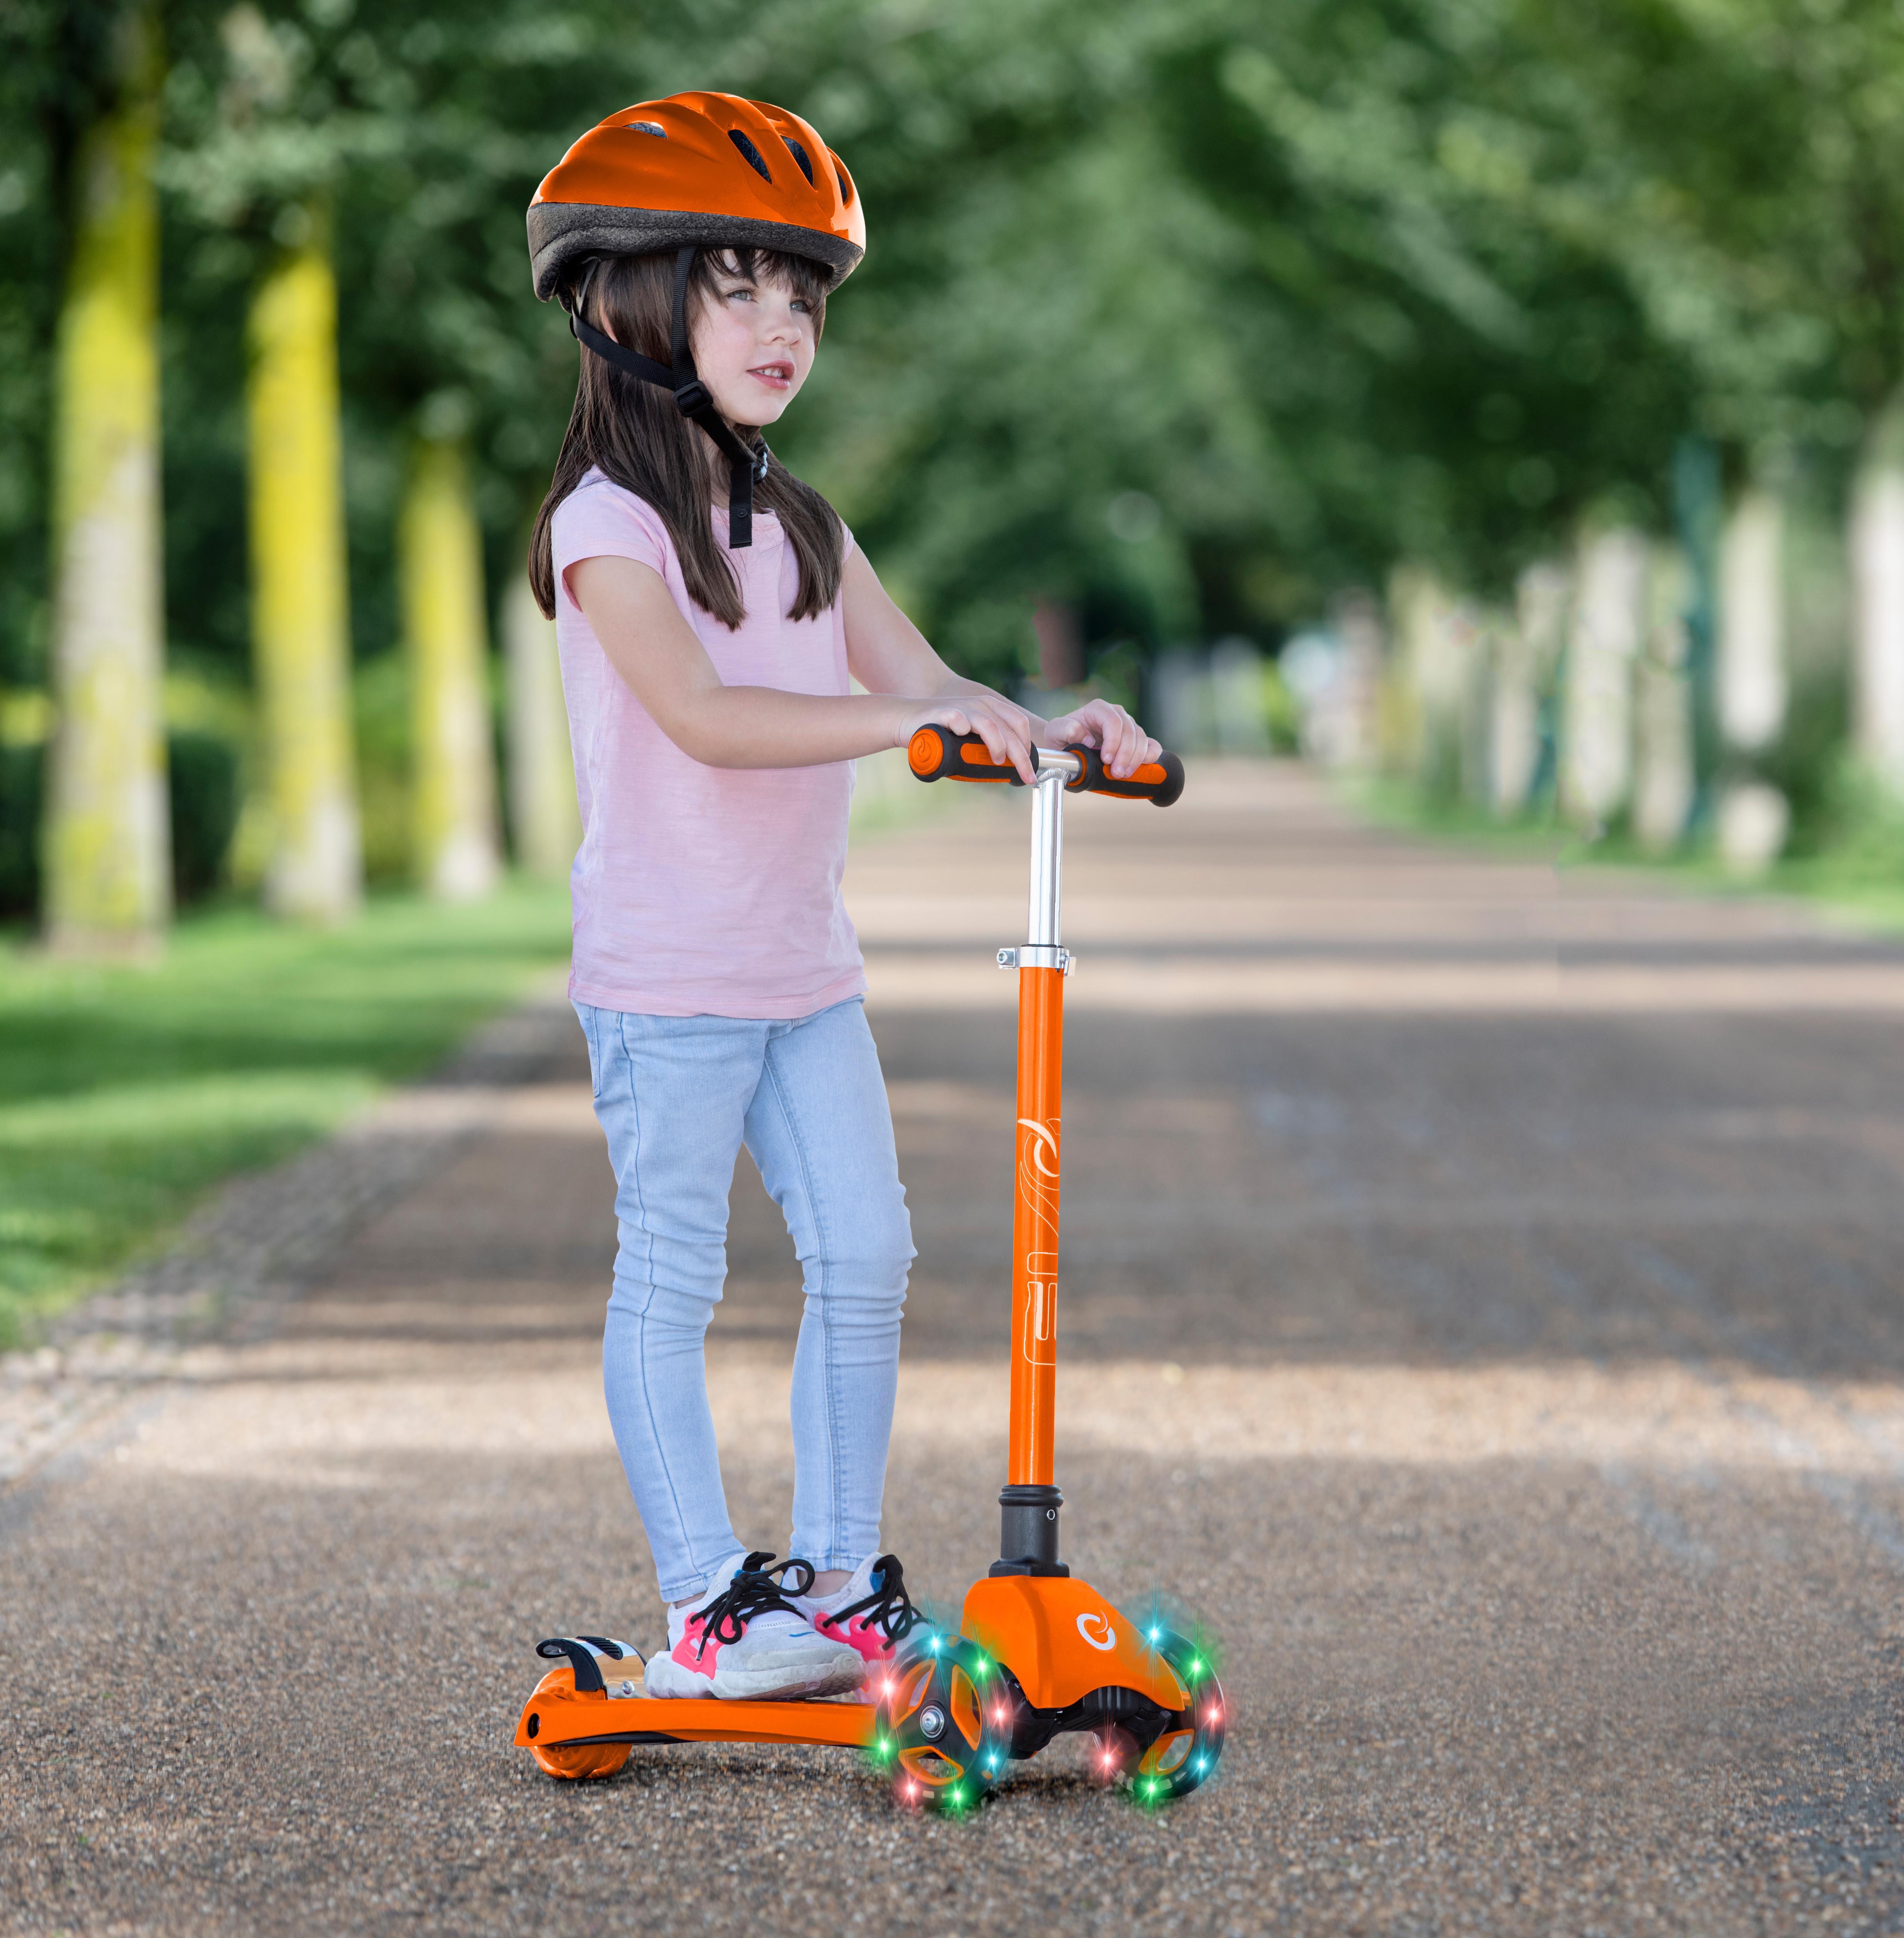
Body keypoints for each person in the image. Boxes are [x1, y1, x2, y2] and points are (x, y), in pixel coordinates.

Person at [524, 91, 1162, 1701]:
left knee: (868, 1253)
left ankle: (829, 1584)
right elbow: (711, 719)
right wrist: (907, 724)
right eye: (737, 286)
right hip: (668, 970)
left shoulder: (803, 520)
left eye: (802, 295)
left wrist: (1052, 728)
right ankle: (704, 1606)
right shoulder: (607, 527)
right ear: (625, 301)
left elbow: (935, 685)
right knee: (674, 1270)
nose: (782, 324)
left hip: (804, 967)